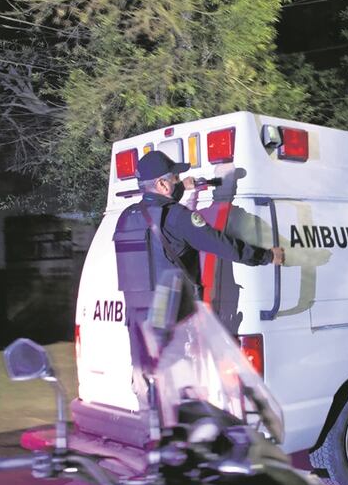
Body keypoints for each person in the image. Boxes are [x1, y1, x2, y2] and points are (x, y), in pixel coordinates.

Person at [112, 150, 284, 440]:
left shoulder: (127, 219)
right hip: (172, 325)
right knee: (180, 401)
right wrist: (267, 256)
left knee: (151, 398)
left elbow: (163, 244)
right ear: (164, 185)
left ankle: (156, 451)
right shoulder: (176, 217)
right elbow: (222, 244)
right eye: (175, 178)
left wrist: (185, 190)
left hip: (138, 328)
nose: (180, 181)